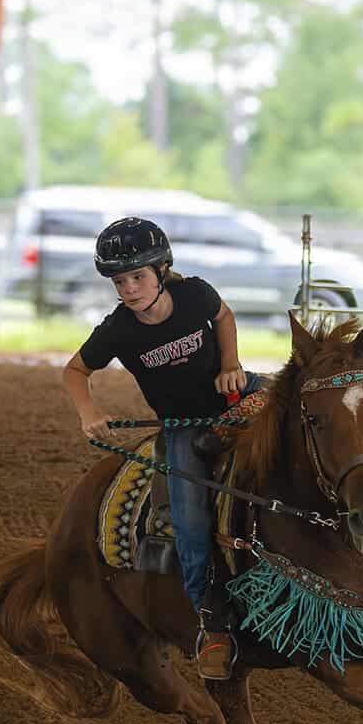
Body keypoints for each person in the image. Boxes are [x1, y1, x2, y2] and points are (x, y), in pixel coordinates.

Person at [61, 216, 263, 682]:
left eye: (137, 277)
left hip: (236, 397)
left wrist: (231, 363)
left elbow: (224, 316)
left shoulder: (195, 294)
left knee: (304, 410)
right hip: (183, 428)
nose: (129, 289)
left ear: (161, 269)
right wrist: (88, 413)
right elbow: (75, 371)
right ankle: (211, 625)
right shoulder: (117, 331)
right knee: (190, 522)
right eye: (119, 281)